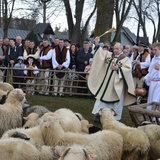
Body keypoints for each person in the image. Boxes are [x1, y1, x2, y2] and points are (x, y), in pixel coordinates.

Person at [88, 37, 136, 121]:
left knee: (116, 102)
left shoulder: (125, 59)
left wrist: (118, 69)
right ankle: (99, 115)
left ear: (121, 49)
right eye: (114, 48)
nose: (115, 50)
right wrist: (97, 43)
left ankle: (114, 117)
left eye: (117, 49)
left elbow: (128, 70)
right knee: (101, 99)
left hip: (117, 85)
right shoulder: (108, 55)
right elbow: (99, 54)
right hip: (106, 84)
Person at [142, 42, 160, 111]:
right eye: (153, 50)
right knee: (150, 99)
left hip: (158, 83)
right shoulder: (153, 59)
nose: (153, 51)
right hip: (152, 83)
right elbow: (150, 72)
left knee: (156, 99)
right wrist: (145, 78)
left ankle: (156, 117)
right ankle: (150, 115)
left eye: (156, 50)